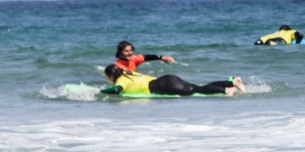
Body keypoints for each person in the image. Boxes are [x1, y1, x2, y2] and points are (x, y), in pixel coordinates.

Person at [100, 63, 243, 97]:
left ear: (111, 76)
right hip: (166, 79)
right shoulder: (130, 74)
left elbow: (117, 89)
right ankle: (231, 82)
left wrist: (101, 92)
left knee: (196, 90)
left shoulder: (121, 80)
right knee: (198, 87)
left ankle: (226, 90)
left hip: (163, 85)